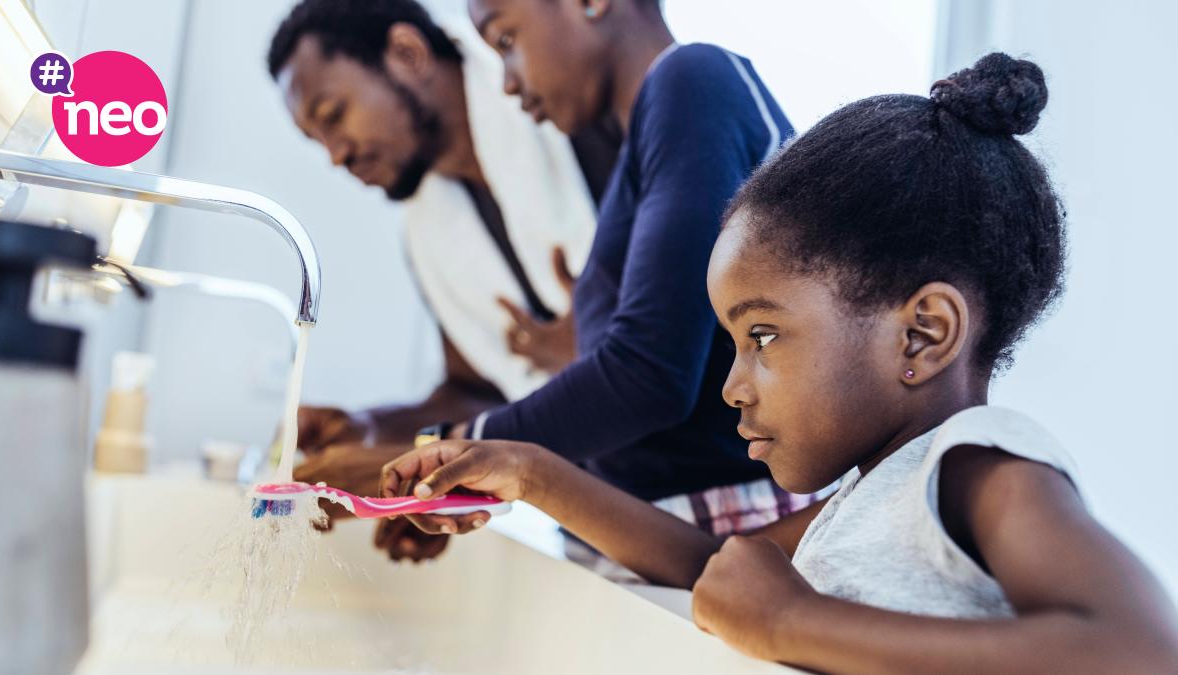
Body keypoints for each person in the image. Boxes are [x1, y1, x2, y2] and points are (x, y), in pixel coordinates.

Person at [375, 53, 1178, 671]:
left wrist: (790, 624)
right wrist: (532, 472)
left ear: (924, 333)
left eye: (760, 337)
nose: (731, 383)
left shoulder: (978, 465)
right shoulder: (869, 496)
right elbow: (715, 566)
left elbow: (1137, 648)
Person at [267, 0, 619, 561]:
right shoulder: (429, 235)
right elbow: (476, 389)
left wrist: (602, 345)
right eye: (317, 140)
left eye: (334, 114)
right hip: (593, 527)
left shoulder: (573, 119)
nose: (336, 156)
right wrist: (371, 430)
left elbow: (655, 343)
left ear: (408, 54)